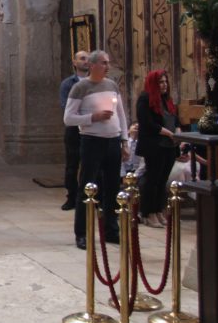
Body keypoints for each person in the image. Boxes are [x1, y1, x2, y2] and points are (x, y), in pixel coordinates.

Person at [64, 49, 130, 250]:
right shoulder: (80, 87)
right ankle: (82, 233)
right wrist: (93, 117)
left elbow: (121, 115)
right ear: (92, 66)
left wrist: (124, 141)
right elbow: (68, 118)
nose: (107, 66)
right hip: (92, 141)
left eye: (108, 62)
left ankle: (111, 230)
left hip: (113, 141)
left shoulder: (112, 85)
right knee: (87, 187)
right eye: (103, 63)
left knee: (112, 187)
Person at [136, 70, 178, 228]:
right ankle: (148, 212)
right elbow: (147, 123)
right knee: (152, 180)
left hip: (169, 145)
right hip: (154, 145)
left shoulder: (167, 100)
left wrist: (178, 131)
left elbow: (175, 119)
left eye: (166, 81)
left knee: (162, 180)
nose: (164, 85)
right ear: (153, 83)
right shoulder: (145, 98)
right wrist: (167, 133)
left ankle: (159, 210)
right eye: (161, 82)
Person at [58, 50, 90, 211]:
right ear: (75, 62)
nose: (86, 61)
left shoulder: (95, 82)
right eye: (82, 58)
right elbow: (66, 106)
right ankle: (72, 196)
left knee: (91, 164)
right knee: (72, 165)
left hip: (91, 129)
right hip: (74, 130)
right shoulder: (68, 84)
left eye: (88, 59)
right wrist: (87, 114)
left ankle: (90, 196)